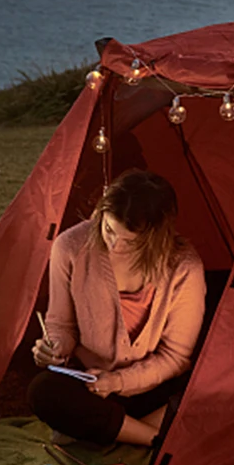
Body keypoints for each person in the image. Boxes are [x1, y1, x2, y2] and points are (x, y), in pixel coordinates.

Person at [27, 168, 205, 447]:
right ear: (100, 212)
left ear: (154, 237)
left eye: (130, 241)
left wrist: (118, 381)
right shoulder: (70, 246)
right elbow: (61, 324)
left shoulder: (183, 267)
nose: (115, 245)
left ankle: (106, 431)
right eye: (108, 229)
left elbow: (175, 357)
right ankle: (154, 438)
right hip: (91, 386)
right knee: (44, 391)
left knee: (207, 388)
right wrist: (55, 348)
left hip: (152, 385)